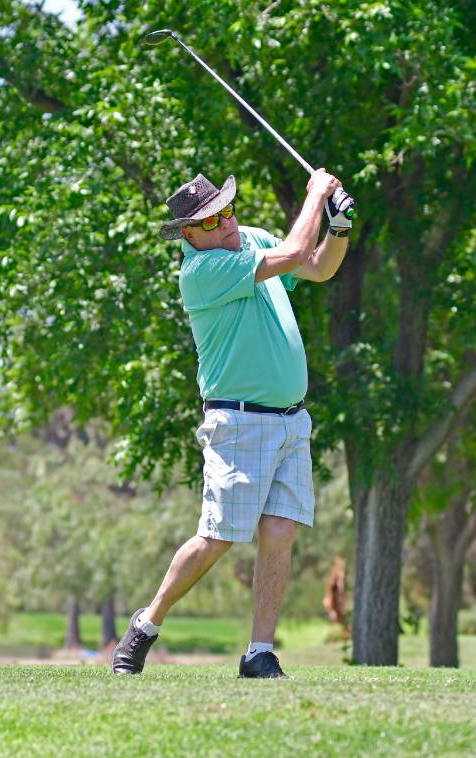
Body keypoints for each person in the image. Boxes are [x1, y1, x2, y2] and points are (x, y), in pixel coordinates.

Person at [112, 169, 353, 678]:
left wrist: (338, 228)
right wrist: (314, 196)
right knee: (218, 537)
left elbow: (316, 267)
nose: (225, 224)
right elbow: (290, 253)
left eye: (227, 211)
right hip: (237, 423)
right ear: (188, 235)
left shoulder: (251, 241)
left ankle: (259, 652)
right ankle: (147, 624)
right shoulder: (202, 273)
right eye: (210, 221)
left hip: (291, 422)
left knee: (281, 529)